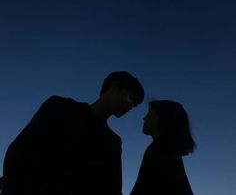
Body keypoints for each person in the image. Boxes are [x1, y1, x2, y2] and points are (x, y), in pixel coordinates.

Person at [2, 71, 144, 195]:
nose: (130, 106)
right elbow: (18, 151)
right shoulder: (59, 106)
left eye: (134, 105)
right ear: (114, 86)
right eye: (130, 97)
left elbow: (111, 189)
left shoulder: (113, 143)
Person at [130, 100, 196, 195]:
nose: (144, 118)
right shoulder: (168, 151)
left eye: (149, 113)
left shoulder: (158, 151)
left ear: (161, 118)